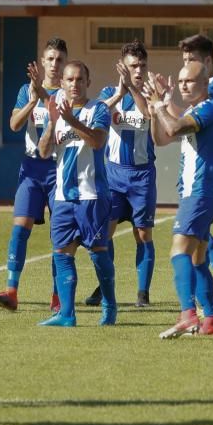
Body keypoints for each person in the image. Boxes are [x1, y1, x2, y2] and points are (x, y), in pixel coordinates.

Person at [160, 34, 213, 315]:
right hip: (207, 169)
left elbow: (181, 123)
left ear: (207, 64)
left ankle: (189, 313)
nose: (185, 72)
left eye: (192, 61)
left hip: (206, 172)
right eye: (183, 62)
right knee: (198, 249)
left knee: (182, 246)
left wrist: (162, 106)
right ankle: (211, 314)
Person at [35, 60, 117, 327]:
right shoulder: (56, 112)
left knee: (98, 252)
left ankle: (109, 304)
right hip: (62, 197)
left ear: (88, 83)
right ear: (62, 83)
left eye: (79, 79)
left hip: (91, 195)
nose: (74, 84)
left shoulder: (99, 109)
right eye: (69, 80)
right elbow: (44, 151)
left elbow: (97, 141)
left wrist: (71, 120)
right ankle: (67, 314)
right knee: (62, 253)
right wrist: (52, 123)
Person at [0, 38, 68, 312]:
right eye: (50, 59)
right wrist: (32, 99)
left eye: (59, 59)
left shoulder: (68, 92)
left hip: (60, 169)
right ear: (42, 61)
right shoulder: (27, 90)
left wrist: (44, 96)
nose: (55, 64)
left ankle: (58, 298)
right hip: (32, 169)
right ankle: (11, 290)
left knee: (60, 235)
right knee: (19, 228)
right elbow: (13, 124)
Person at [150, 61, 213, 339]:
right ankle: (212, 320)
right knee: (198, 258)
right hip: (200, 192)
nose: (183, 85)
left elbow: (173, 129)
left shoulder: (210, 108)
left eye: (190, 81)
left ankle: (187, 315)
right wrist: (153, 110)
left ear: (205, 84)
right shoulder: (194, 110)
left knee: (178, 251)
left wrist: (160, 107)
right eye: (181, 80)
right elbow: (160, 138)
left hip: (200, 191)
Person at [84, 40, 157, 308]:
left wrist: (134, 88)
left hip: (142, 176)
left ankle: (143, 294)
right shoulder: (108, 92)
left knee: (144, 235)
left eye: (142, 65)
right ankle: (105, 287)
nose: (138, 70)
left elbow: (147, 113)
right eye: (132, 66)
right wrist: (120, 89)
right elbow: (96, 113)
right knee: (105, 235)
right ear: (122, 67)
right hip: (113, 175)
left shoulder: (151, 93)